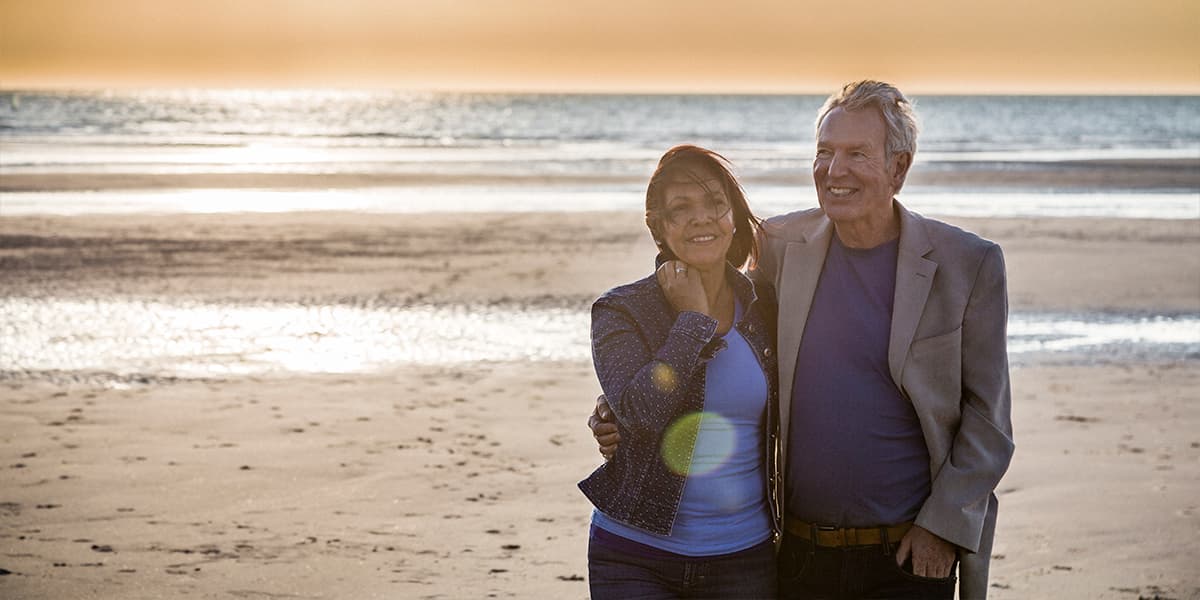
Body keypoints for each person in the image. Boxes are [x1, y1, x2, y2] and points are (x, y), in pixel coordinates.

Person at [591, 81, 1014, 599]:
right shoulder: (780, 248)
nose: (835, 171)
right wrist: (619, 402)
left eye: (857, 154)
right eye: (824, 153)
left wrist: (943, 527)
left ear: (898, 168)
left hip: (907, 553)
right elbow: (718, 324)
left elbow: (989, 423)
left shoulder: (967, 264)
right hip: (796, 556)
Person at [579, 144, 780, 599]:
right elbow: (642, 413)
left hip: (744, 556)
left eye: (714, 204)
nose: (702, 218)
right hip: (634, 554)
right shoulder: (622, 310)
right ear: (658, 226)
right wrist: (692, 321)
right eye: (681, 208)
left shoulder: (764, 308)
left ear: (733, 214)